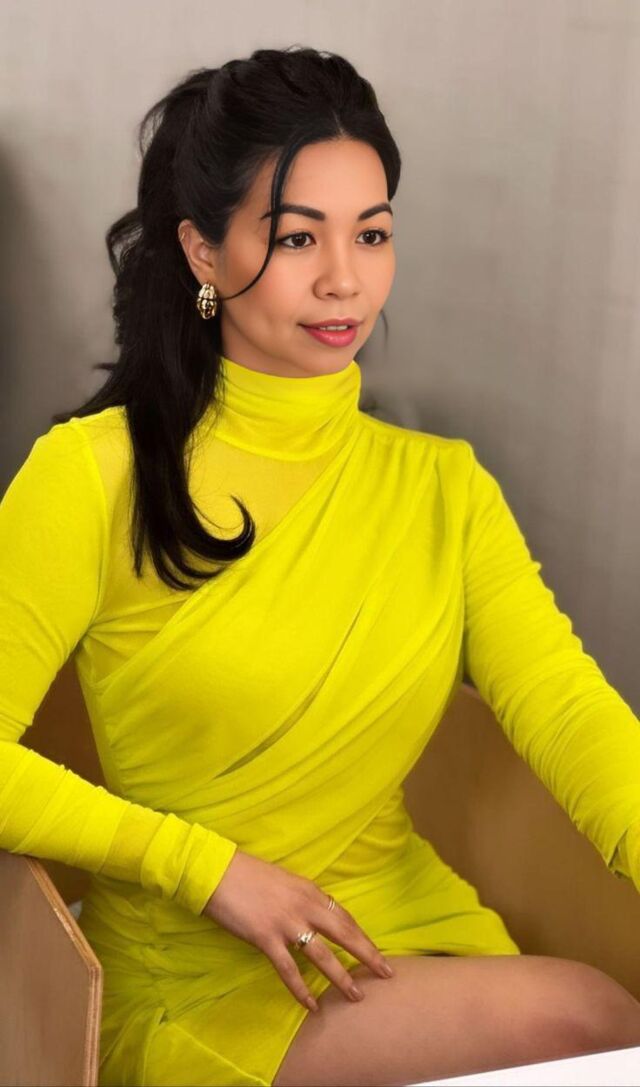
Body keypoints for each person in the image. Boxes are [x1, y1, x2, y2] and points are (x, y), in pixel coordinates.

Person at [2, 45, 640, 1087]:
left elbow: (569, 712)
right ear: (203, 252)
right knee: (596, 1022)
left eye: (372, 233)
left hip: (400, 931)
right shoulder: (90, 475)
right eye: (297, 236)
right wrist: (208, 870)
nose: (345, 277)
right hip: (198, 970)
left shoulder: (443, 488)